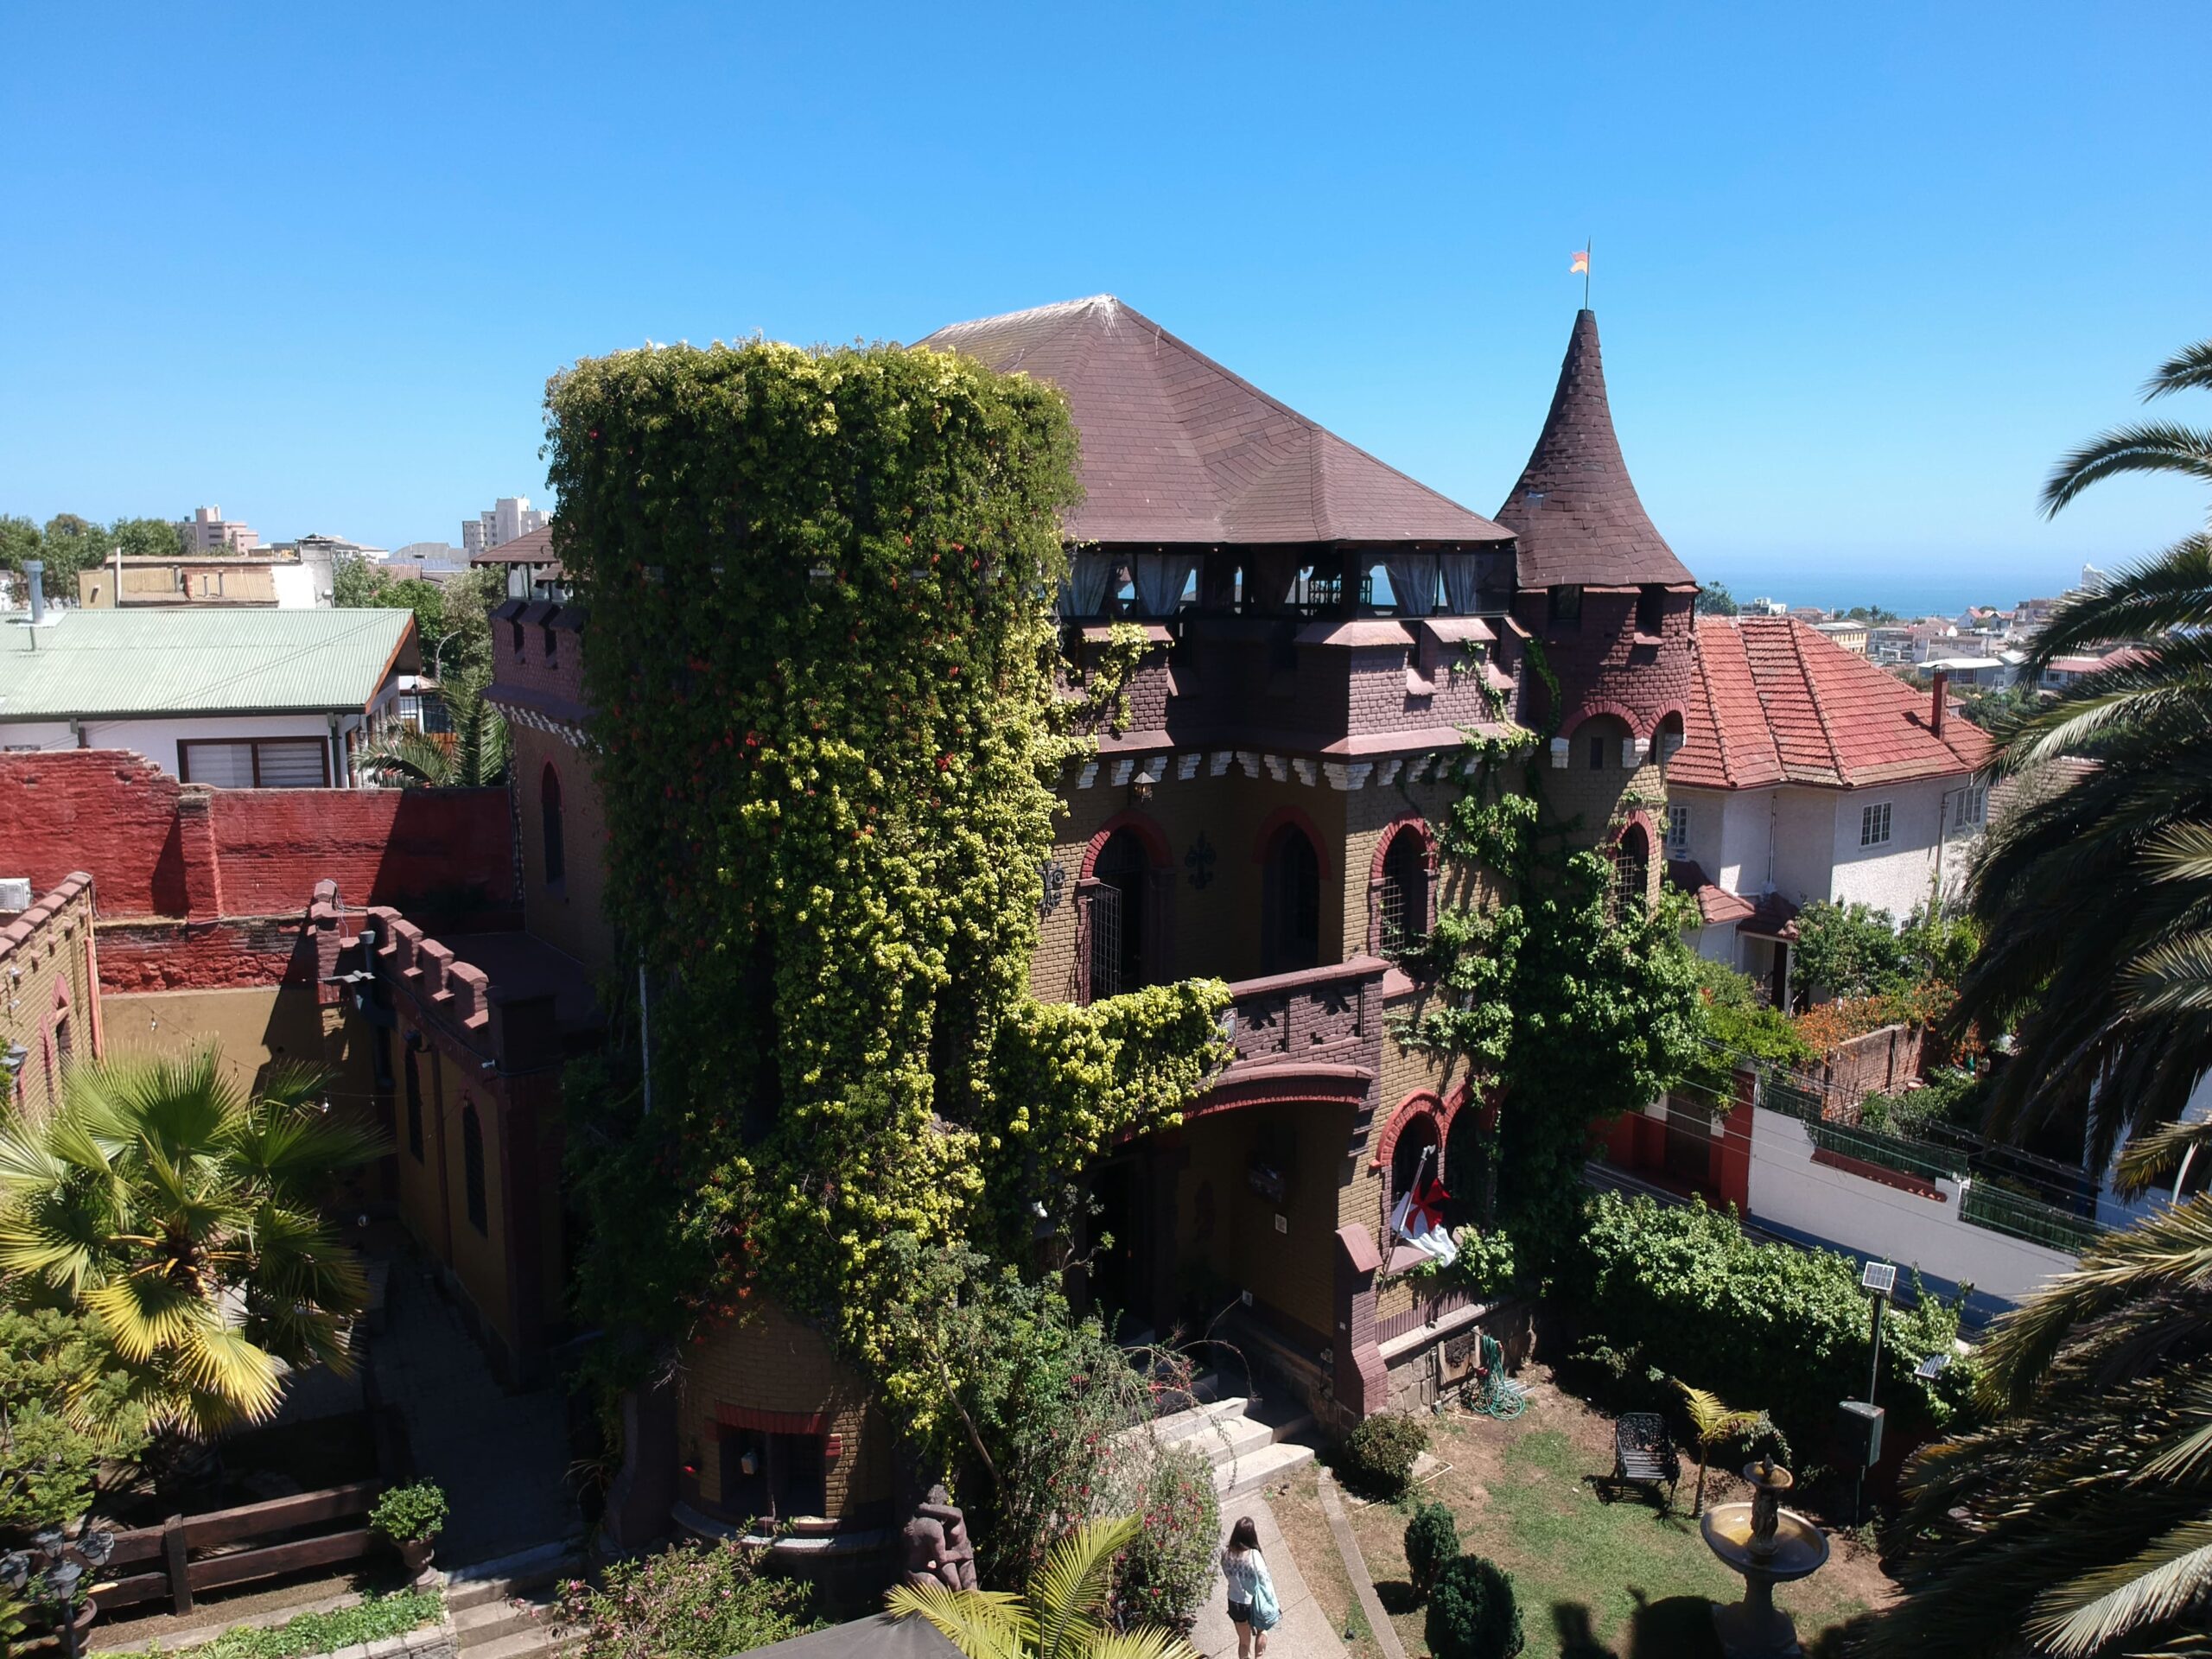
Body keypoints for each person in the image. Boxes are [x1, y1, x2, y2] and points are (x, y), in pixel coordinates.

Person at [1220, 1515, 1276, 1658]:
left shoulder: (1225, 1552)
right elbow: (1265, 1581)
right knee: (1262, 1631)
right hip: (1253, 1603)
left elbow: (1227, 1573)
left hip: (1235, 1602)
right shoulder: (1254, 1555)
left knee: (1244, 1643)